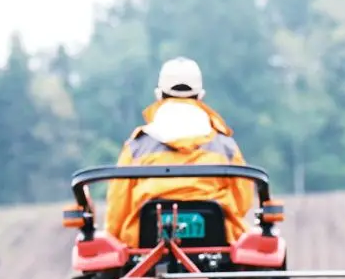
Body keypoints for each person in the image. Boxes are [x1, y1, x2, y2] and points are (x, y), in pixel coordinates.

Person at [103, 57, 256, 246]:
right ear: (201, 96)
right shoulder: (225, 145)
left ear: (159, 95)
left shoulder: (136, 147)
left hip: (146, 242)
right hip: (217, 239)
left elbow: (119, 205)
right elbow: (242, 201)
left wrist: (112, 235)